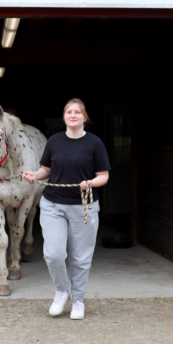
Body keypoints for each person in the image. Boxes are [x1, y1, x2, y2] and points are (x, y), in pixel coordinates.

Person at [22, 98, 110, 320]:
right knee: (54, 254)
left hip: (84, 207)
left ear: (85, 117)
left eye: (77, 112)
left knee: (80, 257)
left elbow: (104, 176)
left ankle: (78, 300)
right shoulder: (54, 141)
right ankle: (61, 292)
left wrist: (90, 182)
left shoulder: (94, 143)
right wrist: (34, 174)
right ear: (64, 117)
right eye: (69, 112)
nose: (73, 115)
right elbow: (45, 170)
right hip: (53, 205)